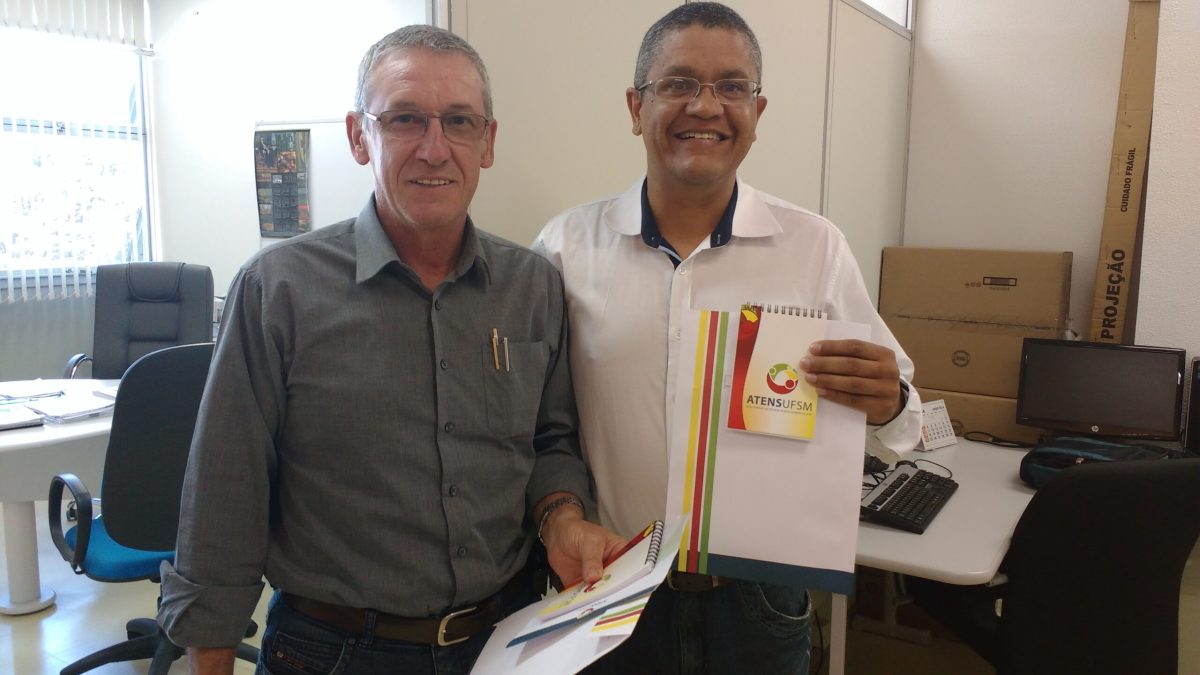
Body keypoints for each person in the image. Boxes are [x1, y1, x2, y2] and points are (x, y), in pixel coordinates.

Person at [158, 25, 622, 675]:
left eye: (459, 121)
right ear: (359, 136)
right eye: (405, 119)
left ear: (487, 142)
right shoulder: (277, 289)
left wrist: (562, 515)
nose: (434, 149)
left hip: (508, 639)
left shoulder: (532, 286)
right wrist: (210, 660)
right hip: (335, 652)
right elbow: (226, 488)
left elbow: (551, 441)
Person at [534, 3, 922, 673]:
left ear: (757, 112)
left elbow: (904, 420)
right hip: (613, 586)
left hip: (760, 599)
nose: (706, 106)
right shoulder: (565, 248)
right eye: (679, 83)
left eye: (732, 86)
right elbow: (542, 426)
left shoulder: (814, 249)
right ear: (635, 107)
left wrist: (889, 401)